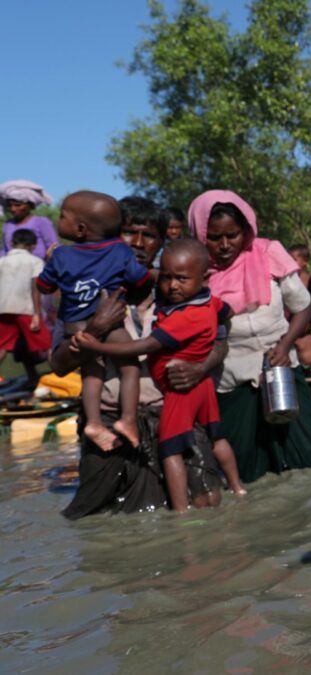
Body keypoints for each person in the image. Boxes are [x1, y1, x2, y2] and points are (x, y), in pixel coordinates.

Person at [58, 202, 227, 519]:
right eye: (128, 232)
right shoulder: (83, 289)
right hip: (109, 423)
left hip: (173, 413)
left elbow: (220, 337)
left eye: (148, 235)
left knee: (205, 507)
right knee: (99, 519)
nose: (137, 243)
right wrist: (96, 328)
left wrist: (202, 366)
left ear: (163, 242)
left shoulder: (177, 287)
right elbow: (58, 364)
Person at [189, 190, 311, 484]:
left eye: (233, 235)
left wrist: (286, 344)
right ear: (200, 234)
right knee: (246, 471)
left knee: (307, 463)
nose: (225, 245)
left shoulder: (267, 253)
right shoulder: (195, 271)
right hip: (230, 380)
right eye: (214, 237)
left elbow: (302, 307)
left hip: (282, 372)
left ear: (246, 230)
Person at [37, 191, 154, 451]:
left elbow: (43, 287)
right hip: (109, 323)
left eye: (62, 215)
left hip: (73, 326)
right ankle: (127, 419)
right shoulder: (120, 251)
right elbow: (140, 278)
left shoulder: (61, 256)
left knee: (92, 372)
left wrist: (50, 265)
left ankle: (93, 423)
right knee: (130, 365)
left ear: (80, 229)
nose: (59, 219)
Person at [0, 229, 50, 376]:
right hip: (26, 309)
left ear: (11, 243)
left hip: (3, 309)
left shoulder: (2, 262)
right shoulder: (35, 262)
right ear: (33, 246)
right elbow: (35, 288)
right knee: (46, 345)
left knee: (2, 347)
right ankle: (61, 377)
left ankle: (32, 377)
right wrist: (36, 314)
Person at [0, 180, 59, 259]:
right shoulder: (8, 224)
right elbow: (5, 249)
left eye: (18, 205)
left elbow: (53, 246)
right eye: (10, 206)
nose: (13, 209)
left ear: (31, 205)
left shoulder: (41, 222)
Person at [286, 242, 311, 367]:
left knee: (305, 349)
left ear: (304, 262)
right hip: (287, 321)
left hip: (303, 322)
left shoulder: (309, 280)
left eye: (294, 260)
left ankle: (309, 369)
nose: (290, 263)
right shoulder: (285, 279)